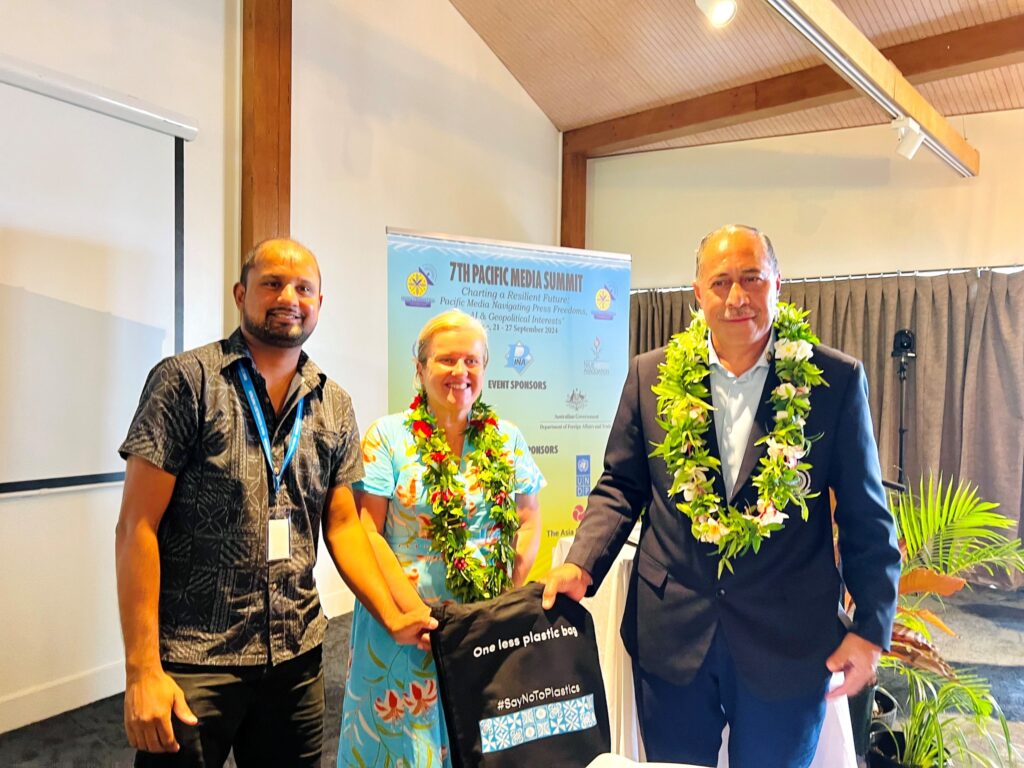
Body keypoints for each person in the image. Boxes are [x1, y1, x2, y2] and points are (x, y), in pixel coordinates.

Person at [543, 225, 901, 767]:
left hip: (788, 643)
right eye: (721, 282)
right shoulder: (650, 376)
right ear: (697, 294)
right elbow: (620, 485)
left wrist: (871, 630)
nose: (737, 297)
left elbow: (865, 515)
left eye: (752, 279)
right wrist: (581, 563)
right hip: (672, 637)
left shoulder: (834, 380)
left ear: (778, 284)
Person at [114, 238, 435, 767]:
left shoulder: (334, 403)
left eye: (303, 288)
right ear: (241, 294)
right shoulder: (186, 382)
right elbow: (136, 527)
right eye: (272, 283)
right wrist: (142, 670)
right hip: (196, 656)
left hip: (296, 653)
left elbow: (345, 528)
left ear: (319, 303)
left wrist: (392, 614)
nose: (289, 297)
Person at [339, 309, 544, 767]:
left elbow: (529, 521)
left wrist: (504, 603)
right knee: (404, 747)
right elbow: (369, 531)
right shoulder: (387, 437)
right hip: (404, 628)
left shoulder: (508, 440)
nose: (460, 372)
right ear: (420, 368)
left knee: (478, 741)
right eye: (446, 360)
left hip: (480, 626)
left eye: (471, 361)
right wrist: (413, 614)